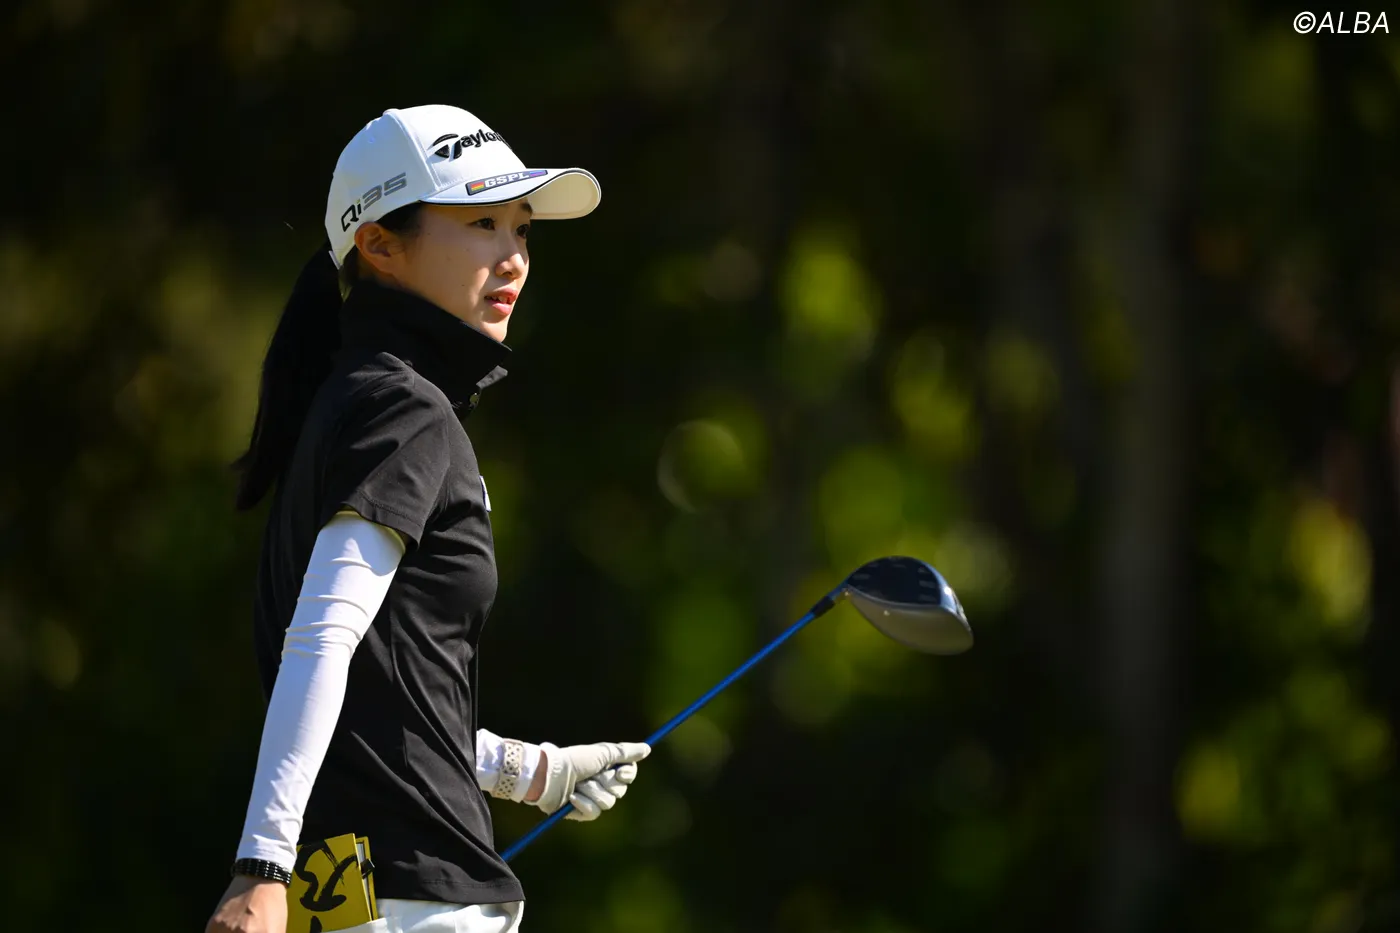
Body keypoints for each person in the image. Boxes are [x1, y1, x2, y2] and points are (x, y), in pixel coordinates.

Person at [206, 104, 650, 933]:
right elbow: (323, 638)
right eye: (482, 223)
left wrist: (530, 771)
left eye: (521, 228)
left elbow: (383, 693)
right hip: (411, 902)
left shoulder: (355, 398)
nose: (513, 255)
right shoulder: (404, 409)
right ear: (379, 244)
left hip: (365, 895)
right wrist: (260, 866)